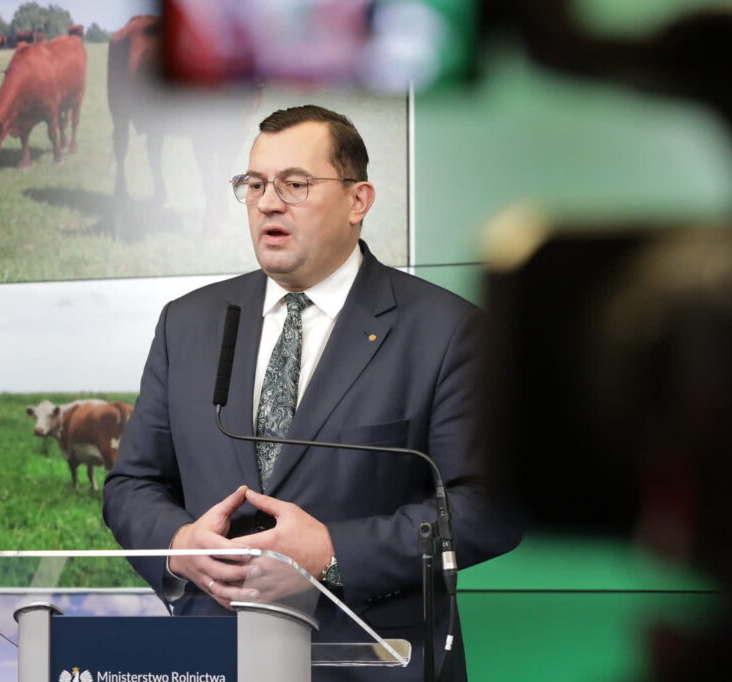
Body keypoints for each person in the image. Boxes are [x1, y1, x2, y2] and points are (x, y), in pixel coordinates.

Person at [103, 104, 520, 680]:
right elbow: (132, 484)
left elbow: (490, 509)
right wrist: (178, 545)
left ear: (358, 200)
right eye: (255, 184)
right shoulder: (188, 322)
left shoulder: (446, 331)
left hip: (374, 663)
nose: (268, 203)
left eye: (294, 184)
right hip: (213, 659)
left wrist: (333, 552)